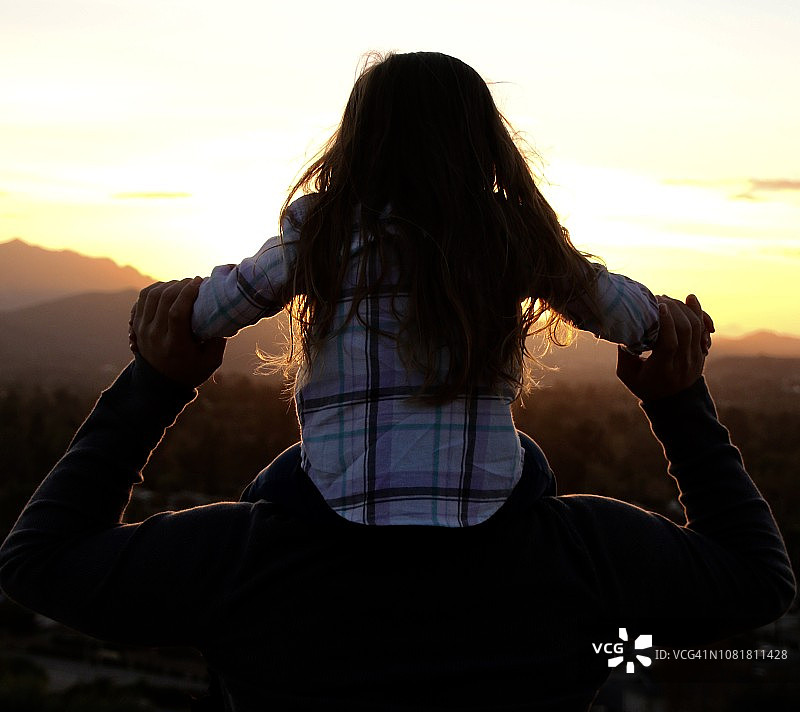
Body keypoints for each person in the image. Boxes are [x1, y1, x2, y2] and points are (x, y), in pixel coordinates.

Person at [0, 280, 793, 712]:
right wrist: (679, 403)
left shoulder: (248, 559)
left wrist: (157, 381)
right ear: (507, 358)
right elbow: (759, 578)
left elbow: (39, 558)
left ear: (317, 359)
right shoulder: (582, 557)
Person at [186, 51, 672, 527]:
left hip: (340, 508)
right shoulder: (507, 233)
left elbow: (213, 311)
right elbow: (625, 313)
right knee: (533, 463)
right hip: (485, 507)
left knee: (268, 488)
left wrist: (172, 303)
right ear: (484, 142)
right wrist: (664, 320)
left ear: (359, 142)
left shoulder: (322, 230)